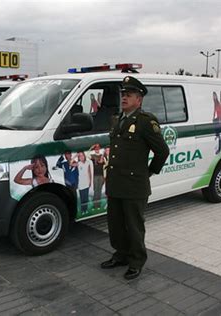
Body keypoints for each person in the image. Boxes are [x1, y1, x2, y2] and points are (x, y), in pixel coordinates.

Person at [101, 76, 169, 280]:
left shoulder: (146, 122)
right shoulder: (117, 119)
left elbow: (162, 151)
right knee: (115, 224)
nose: (124, 98)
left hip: (134, 185)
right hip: (115, 183)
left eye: (128, 95)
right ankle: (120, 255)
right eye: (123, 94)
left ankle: (136, 261)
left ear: (139, 100)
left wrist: (149, 172)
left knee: (134, 227)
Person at [88, 143, 105, 209]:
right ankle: (94, 205)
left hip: (101, 176)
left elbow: (103, 163)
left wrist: (102, 158)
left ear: (99, 149)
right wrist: (91, 148)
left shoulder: (102, 156)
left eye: (98, 148)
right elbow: (87, 155)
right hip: (95, 176)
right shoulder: (93, 156)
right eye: (96, 148)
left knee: (99, 190)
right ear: (94, 149)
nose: (97, 149)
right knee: (95, 190)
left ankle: (98, 205)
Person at [76, 151, 92, 215]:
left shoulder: (87, 163)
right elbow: (71, 163)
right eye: (79, 156)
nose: (81, 157)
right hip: (80, 184)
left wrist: (90, 181)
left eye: (82, 155)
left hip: (86, 183)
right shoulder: (78, 163)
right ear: (78, 157)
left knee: (86, 198)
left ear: (84, 156)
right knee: (82, 198)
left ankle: (86, 210)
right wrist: (75, 156)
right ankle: (82, 210)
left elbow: (89, 172)